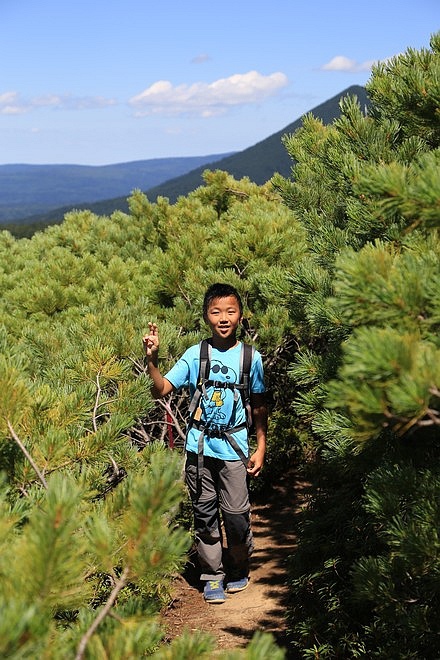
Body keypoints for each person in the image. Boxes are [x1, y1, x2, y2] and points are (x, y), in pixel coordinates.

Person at [143, 282, 267, 604]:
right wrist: (152, 361)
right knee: (205, 513)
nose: (223, 318)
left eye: (230, 311)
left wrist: (261, 445)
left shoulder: (251, 358)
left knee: (237, 514)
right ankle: (213, 574)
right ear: (205, 316)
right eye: (216, 312)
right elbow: (161, 390)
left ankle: (239, 565)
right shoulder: (195, 355)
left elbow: (259, 404)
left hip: (235, 450)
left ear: (240, 315)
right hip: (199, 449)